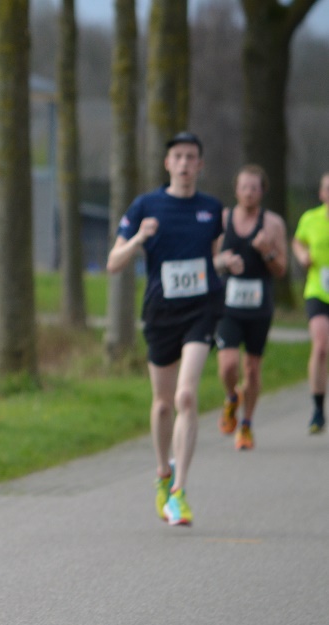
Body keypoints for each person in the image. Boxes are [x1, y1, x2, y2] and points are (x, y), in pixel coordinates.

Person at [107, 132, 225, 527]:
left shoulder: (212, 209)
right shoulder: (146, 205)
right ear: (167, 163)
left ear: (201, 164)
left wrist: (227, 265)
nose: (186, 164)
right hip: (160, 313)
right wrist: (140, 237)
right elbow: (113, 263)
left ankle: (180, 491)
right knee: (162, 404)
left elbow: (214, 258)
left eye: (192, 157)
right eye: (178, 157)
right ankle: (162, 472)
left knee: (186, 396)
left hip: (202, 311)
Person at [213, 165, 288, 450]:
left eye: (254, 188)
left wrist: (266, 250)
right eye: (243, 187)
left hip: (259, 306)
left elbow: (281, 269)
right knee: (228, 365)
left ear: (262, 191)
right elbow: (209, 262)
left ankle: (246, 425)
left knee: (253, 370)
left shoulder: (273, 224)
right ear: (236, 190)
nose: (248, 193)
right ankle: (232, 397)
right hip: (228, 305)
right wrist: (223, 263)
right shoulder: (222, 220)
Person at [292, 171, 329, 434]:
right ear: (321, 193)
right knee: (321, 346)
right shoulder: (310, 219)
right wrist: (303, 255)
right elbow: (297, 241)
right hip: (318, 289)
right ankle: (318, 409)